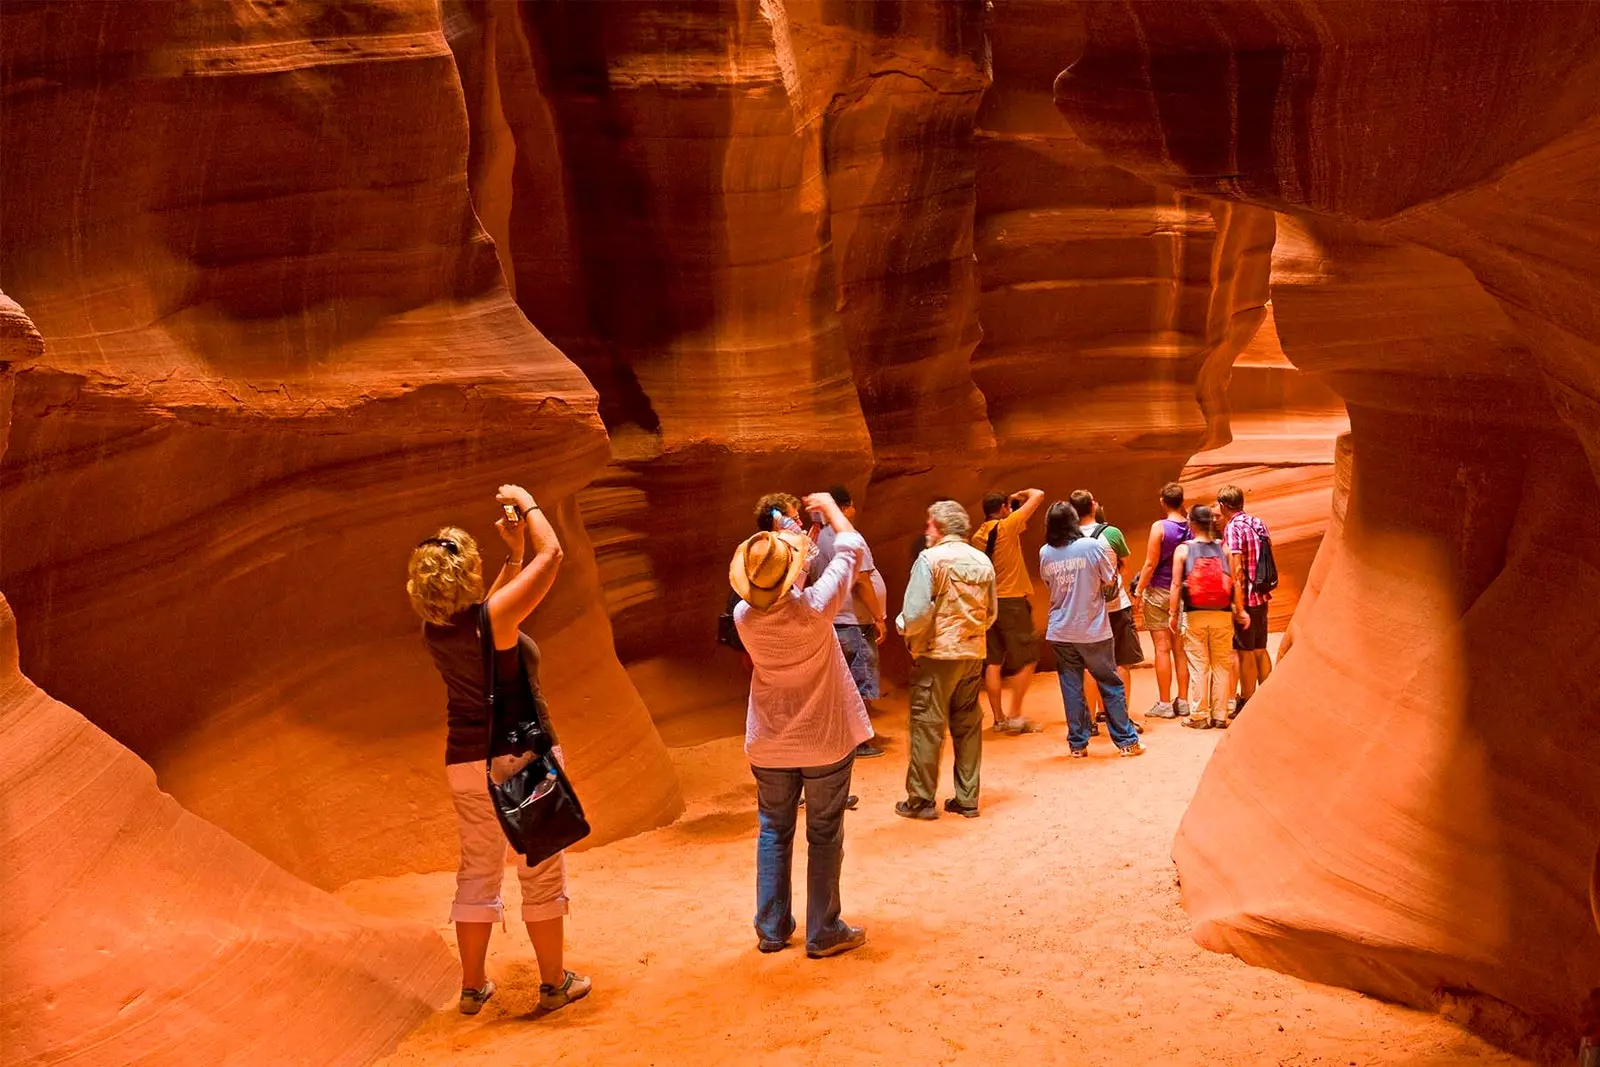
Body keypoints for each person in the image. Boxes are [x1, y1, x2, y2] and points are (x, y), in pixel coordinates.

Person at [406, 484, 591, 1016]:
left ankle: (471, 988)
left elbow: (488, 614)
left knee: (477, 872)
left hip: (464, 763)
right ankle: (554, 984)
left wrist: (512, 556)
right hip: (520, 758)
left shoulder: (436, 629)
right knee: (540, 868)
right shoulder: (494, 621)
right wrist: (530, 505)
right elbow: (553, 555)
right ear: (464, 574)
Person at [731, 492, 872, 959]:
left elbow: (778, 581)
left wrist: (795, 545)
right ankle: (823, 930)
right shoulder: (814, 610)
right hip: (824, 742)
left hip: (769, 742)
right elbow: (850, 548)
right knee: (824, 831)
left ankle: (772, 929)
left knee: (773, 829)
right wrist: (830, 507)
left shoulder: (743, 616)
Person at [896, 500, 997, 819]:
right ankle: (967, 799)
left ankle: (921, 800)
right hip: (973, 653)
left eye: (929, 525)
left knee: (928, 725)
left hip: (938, 655)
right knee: (968, 726)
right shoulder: (982, 561)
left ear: (938, 527)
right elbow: (991, 612)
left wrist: (908, 633)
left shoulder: (930, 559)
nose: (927, 531)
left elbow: (916, 613)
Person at [1039, 502, 1145, 758]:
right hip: (1092, 628)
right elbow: (1110, 579)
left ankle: (1078, 745)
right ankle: (1127, 742)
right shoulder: (1090, 546)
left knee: (1071, 686)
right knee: (1110, 683)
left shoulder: (1045, 552)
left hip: (1060, 629)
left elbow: (1047, 582)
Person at [808, 485, 887, 759]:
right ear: (845, 507)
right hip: (854, 620)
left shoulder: (816, 537)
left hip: (834, 620)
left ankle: (842, 739)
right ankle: (858, 742)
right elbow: (861, 582)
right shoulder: (846, 537)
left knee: (842, 682)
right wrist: (879, 617)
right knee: (859, 681)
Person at [1168, 504, 1250, 730]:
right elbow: (1235, 581)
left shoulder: (1183, 550)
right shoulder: (1224, 548)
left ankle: (1199, 716)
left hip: (1194, 615)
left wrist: (1173, 614)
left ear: (1192, 523)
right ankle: (1221, 716)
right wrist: (1240, 610)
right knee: (1221, 665)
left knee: (1199, 666)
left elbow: (1176, 584)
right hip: (1222, 615)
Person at [970, 488, 1046, 733]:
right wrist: (1020, 494)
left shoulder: (978, 536)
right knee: (1028, 657)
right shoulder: (1007, 526)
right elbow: (1039, 495)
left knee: (993, 661)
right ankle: (1015, 716)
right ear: (1003, 508)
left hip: (988, 603)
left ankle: (999, 718)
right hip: (1012, 601)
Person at [1069, 491, 1143, 727]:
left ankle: (1089, 720)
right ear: (1093, 505)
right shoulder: (1111, 533)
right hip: (1115, 607)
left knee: (1090, 665)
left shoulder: (1069, 538)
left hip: (1086, 610)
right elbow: (1126, 567)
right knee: (1121, 662)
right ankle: (1119, 719)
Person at [1134, 482, 1193, 719]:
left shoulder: (1159, 527)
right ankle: (1184, 701)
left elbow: (1150, 563)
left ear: (1163, 502)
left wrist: (1138, 591)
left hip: (1159, 590)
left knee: (1161, 648)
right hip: (1183, 591)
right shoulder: (1191, 526)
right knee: (1180, 649)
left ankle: (1165, 703)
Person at [1217, 484, 1273, 716]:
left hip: (1246, 597)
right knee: (1260, 647)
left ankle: (1248, 701)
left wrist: (1237, 604)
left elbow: (1236, 568)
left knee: (1245, 650)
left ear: (1222, 505)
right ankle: (1269, 696)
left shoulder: (1233, 528)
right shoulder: (1259, 523)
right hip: (1262, 593)